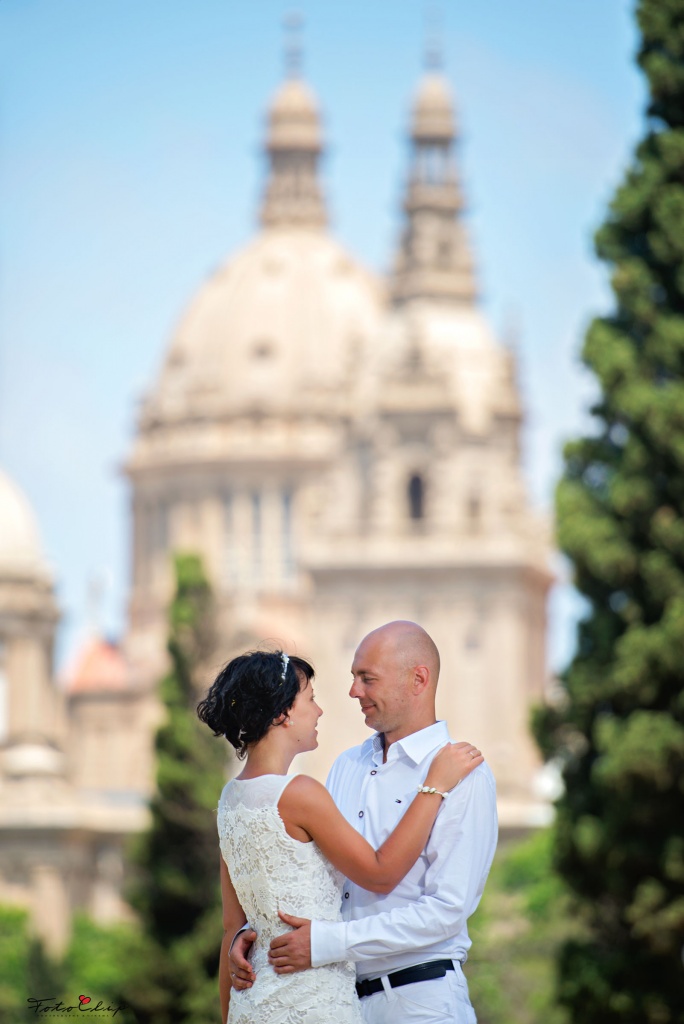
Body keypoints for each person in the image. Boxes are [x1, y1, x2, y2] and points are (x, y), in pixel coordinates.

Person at [230, 621, 498, 1024]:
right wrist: (254, 935)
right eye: (354, 677)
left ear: (418, 679)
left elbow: (446, 912)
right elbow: (314, 876)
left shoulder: (465, 775)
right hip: (335, 1002)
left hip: (420, 1004)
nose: (353, 691)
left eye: (367, 678)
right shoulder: (347, 765)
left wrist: (328, 944)